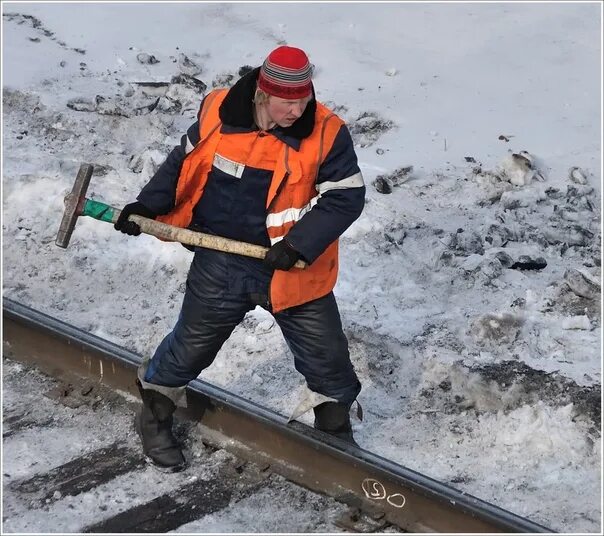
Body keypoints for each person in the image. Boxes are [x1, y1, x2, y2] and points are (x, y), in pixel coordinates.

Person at [115, 45, 366, 472]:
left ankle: (335, 437)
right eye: (289, 101)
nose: (298, 109)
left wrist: (300, 244)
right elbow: (183, 162)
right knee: (189, 348)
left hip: (292, 268)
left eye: (305, 99)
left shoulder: (325, 132)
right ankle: (155, 418)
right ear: (262, 95)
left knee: (329, 361)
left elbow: (347, 197)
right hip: (221, 259)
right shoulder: (218, 112)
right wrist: (146, 206)